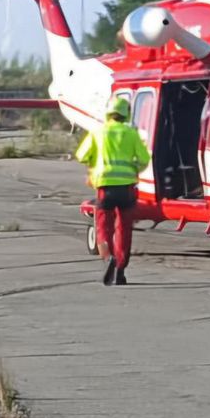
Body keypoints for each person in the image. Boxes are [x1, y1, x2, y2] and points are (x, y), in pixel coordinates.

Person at [74, 94, 152, 286]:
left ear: (109, 113)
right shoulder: (131, 133)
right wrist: (134, 170)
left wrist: (94, 165)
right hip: (126, 188)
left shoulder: (98, 132)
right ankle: (121, 270)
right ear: (126, 114)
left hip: (105, 188)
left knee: (103, 226)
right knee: (124, 228)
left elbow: (81, 155)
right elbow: (144, 159)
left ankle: (108, 257)